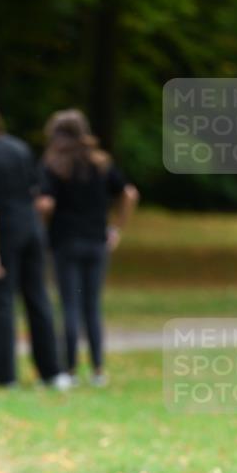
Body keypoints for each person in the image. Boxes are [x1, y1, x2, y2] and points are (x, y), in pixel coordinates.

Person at [0, 98, 70, 389]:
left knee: (2, 302)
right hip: (32, 229)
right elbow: (37, 195)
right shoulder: (19, 147)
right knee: (38, 299)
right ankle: (53, 372)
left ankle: (2, 374)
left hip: (7, 232)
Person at [37, 109, 139, 386]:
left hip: (64, 242)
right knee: (92, 306)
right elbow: (129, 193)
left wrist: (42, 223)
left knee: (69, 305)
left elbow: (47, 203)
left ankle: (68, 370)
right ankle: (97, 370)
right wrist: (117, 227)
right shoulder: (101, 162)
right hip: (97, 242)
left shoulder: (54, 165)